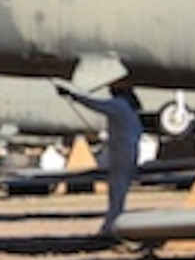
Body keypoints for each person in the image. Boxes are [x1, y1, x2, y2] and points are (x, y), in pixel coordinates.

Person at [57, 77, 145, 238]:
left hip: (121, 150)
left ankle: (112, 225)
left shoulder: (119, 105)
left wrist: (73, 96)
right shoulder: (130, 108)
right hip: (127, 149)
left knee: (117, 190)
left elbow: (95, 104)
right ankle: (112, 224)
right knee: (119, 189)